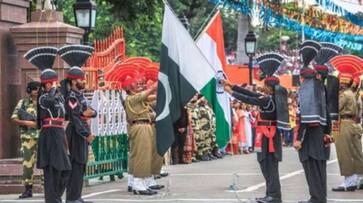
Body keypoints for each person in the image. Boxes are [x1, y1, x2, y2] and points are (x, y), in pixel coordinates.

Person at [223, 53, 290, 203]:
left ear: (268, 87)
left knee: (269, 165)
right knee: (267, 164)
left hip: (268, 137)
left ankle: (274, 196)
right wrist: (232, 85)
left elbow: (249, 98)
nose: (262, 86)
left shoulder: (267, 100)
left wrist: (231, 92)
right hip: (265, 135)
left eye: (264, 84)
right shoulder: (270, 98)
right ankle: (271, 194)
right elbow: (251, 93)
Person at [24, 46, 71, 203]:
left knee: (65, 169)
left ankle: (55, 197)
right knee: (51, 170)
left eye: (54, 83)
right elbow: (49, 102)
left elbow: (65, 111)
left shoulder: (58, 96)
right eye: (51, 83)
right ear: (46, 84)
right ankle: (53, 200)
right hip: (49, 134)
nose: (54, 86)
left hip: (58, 133)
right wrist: (53, 91)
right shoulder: (43, 97)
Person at [294, 40, 333, 203]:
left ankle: (316, 198)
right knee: (319, 167)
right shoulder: (322, 88)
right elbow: (328, 115)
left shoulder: (309, 88)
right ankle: (320, 197)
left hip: (310, 134)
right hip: (320, 133)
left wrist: (298, 139)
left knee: (311, 166)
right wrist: (327, 133)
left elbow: (306, 116)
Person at [58, 45, 96, 203]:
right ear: (74, 81)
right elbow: (75, 118)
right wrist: (86, 134)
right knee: (76, 165)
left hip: (79, 131)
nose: (83, 80)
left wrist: (90, 113)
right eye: (81, 78)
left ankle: (76, 196)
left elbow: (91, 111)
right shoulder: (72, 97)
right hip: (75, 133)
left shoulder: (79, 95)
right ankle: (72, 198)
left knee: (81, 165)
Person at [123, 72, 164, 195]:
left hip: (144, 126)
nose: (139, 84)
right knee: (142, 155)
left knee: (145, 154)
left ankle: (141, 181)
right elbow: (150, 91)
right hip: (140, 127)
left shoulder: (139, 99)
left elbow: (151, 98)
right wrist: (160, 81)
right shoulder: (132, 98)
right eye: (135, 83)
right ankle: (138, 183)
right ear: (129, 88)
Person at [331, 68, 363, 192]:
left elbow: (336, 107)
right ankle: (357, 178)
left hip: (344, 123)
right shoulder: (354, 94)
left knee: (344, 152)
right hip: (352, 124)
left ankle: (349, 181)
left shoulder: (345, 94)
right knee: (355, 152)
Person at [11, 81, 41, 199]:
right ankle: (28, 189)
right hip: (28, 138)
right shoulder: (23, 103)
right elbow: (13, 118)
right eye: (34, 89)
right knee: (28, 164)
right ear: (29, 90)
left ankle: (48, 187)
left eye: (38, 89)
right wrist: (27, 122)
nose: (37, 91)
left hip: (43, 136)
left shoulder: (43, 102)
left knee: (46, 163)